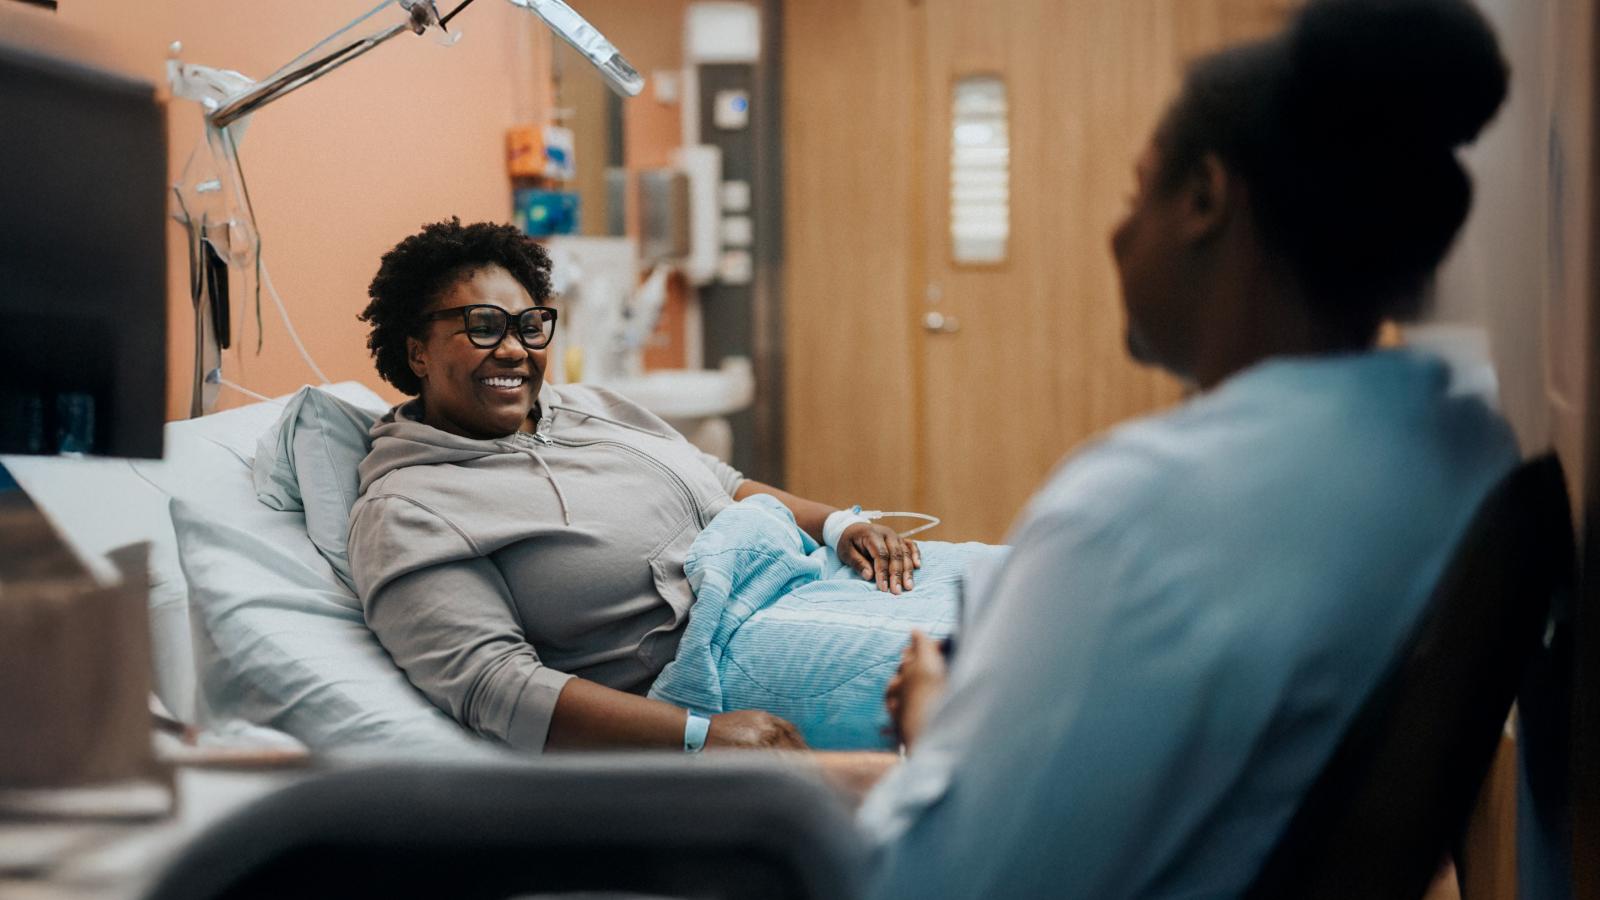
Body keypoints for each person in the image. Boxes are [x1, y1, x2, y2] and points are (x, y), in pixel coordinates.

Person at [861, 0, 1516, 896]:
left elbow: (927, 886)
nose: (1117, 233)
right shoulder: (1464, 445)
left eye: (1138, 193)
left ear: (1205, 197)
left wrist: (933, 717)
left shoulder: (1133, 508)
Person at [348, 218, 922, 752]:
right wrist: (701, 736)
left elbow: (719, 482)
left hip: (812, 577)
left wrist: (839, 525)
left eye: (528, 326)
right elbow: (497, 686)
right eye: (483, 326)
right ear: (417, 350)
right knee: (983, 669)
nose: (514, 349)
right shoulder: (408, 508)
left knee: (999, 592)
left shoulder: (587, 406)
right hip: (732, 658)